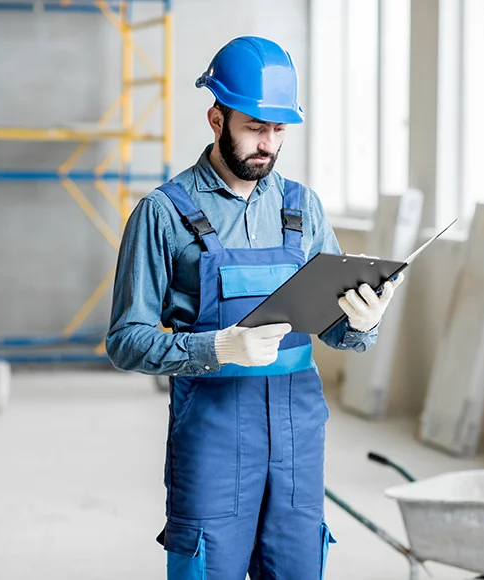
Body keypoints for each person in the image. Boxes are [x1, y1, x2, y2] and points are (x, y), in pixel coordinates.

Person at [106, 36, 403, 580]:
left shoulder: (303, 208)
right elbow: (126, 340)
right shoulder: (162, 214)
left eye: (279, 130)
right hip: (214, 435)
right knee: (209, 566)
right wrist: (219, 346)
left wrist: (363, 322)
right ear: (216, 118)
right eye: (255, 128)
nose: (268, 144)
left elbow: (334, 328)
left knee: (297, 566)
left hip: (298, 432)